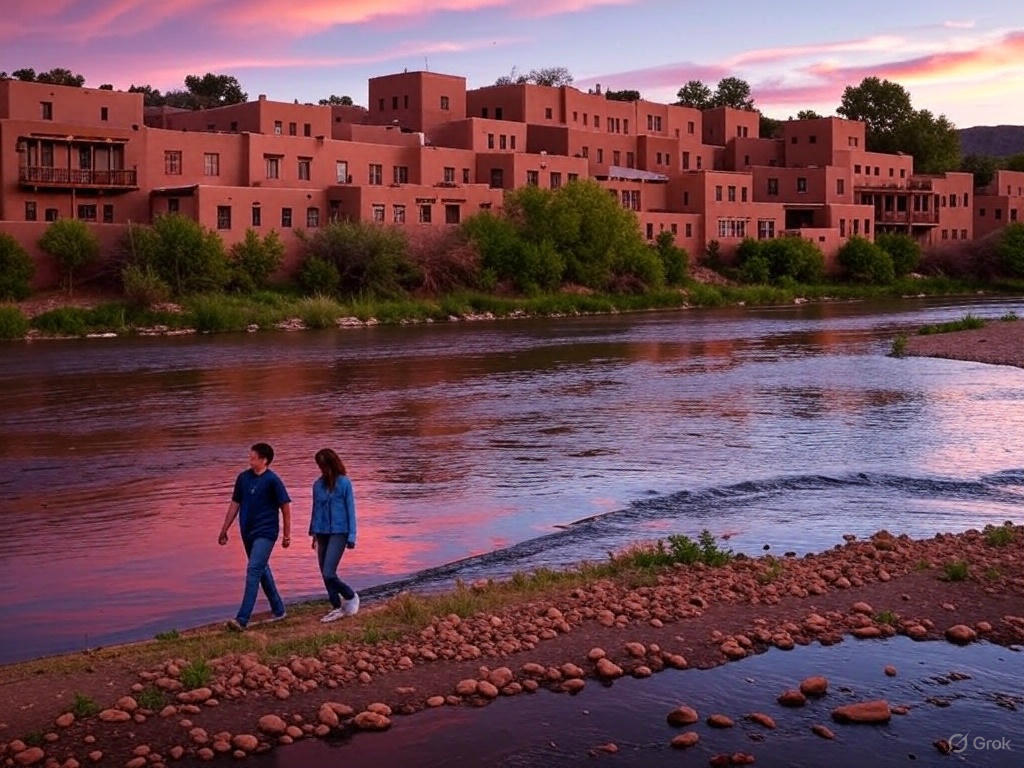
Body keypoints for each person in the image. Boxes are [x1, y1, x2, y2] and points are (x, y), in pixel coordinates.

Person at [218, 442, 292, 631]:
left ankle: (242, 619)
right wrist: (224, 528)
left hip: (266, 532)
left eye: (253, 457)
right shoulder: (243, 478)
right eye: (249, 457)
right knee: (261, 570)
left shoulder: (273, 480)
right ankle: (279, 609)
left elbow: (285, 507)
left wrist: (286, 535)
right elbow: (235, 504)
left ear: (264, 460)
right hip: (247, 532)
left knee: (253, 570)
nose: (249, 460)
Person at [309, 448, 359, 623]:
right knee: (324, 573)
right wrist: (313, 533)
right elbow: (315, 510)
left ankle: (351, 596)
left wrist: (352, 536)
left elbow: (350, 510)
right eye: (319, 466)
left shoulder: (344, 483)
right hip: (321, 531)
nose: (322, 469)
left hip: (340, 531)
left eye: (323, 465)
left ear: (331, 464)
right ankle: (336, 607)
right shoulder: (317, 485)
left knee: (329, 572)